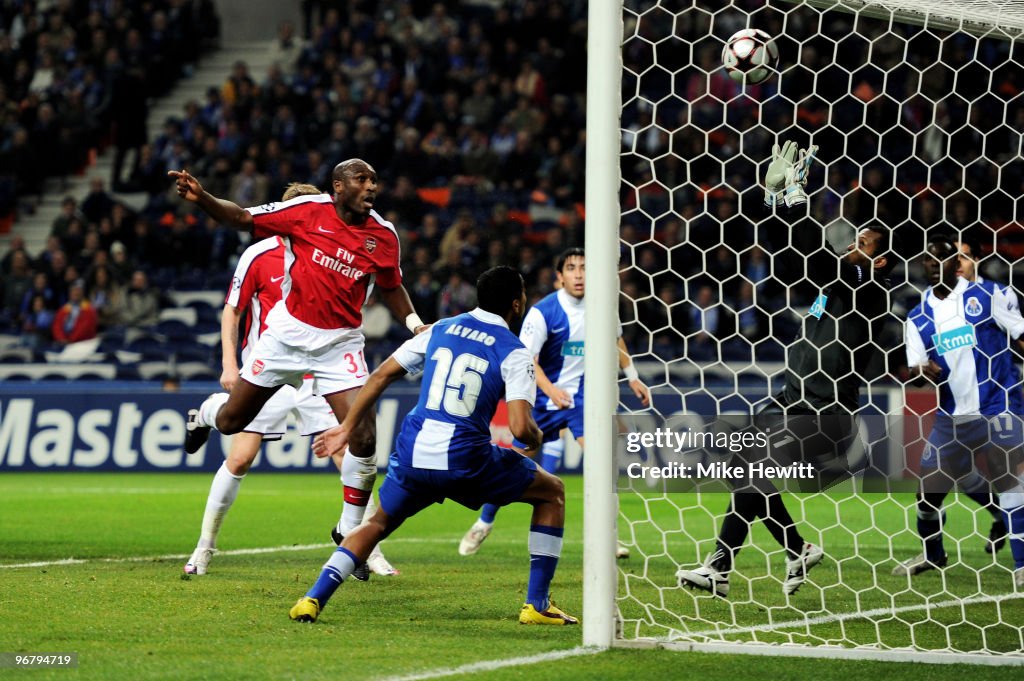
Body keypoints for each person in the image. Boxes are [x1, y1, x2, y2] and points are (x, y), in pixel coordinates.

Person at [169, 159, 427, 563]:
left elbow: (392, 286)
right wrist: (201, 198)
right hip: (285, 339)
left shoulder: (383, 235)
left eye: (375, 180)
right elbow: (239, 217)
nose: (371, 187)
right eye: (362, 179)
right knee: (231, 422)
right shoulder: (307, 213)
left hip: (338, 345)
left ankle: (349, 531)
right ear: (338, 186)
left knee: (362, 435)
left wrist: (414, 324)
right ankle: (205, 413)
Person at [290, 267, 576, 625]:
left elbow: (380, 376)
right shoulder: (514, 352)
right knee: (553, 493)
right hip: (465, 459)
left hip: (413, 453)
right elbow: (520, 427)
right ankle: (536, 604)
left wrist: (346, 426)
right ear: (516, 305)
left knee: (377, 523)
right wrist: (537, 436)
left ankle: (312, 598)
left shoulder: (440, 328)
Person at [677, 140, 900, 597]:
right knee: (740, 463)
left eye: (865, 244)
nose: (854, 246)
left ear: (881, 259)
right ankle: (766, 556)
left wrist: (799, 196)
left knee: (749, 464)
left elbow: (818, 257)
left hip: (825, 413)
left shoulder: (871, 294)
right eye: (855, 240)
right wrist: (774, 199)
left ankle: (749, 559)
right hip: (787, 400)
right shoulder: (832, 287)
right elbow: (794, 253)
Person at [458, 248, 650, 558]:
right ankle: (485, 521)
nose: (579, 274)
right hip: (547, 399)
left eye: (584, 268)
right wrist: (551, 390)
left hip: (585, 400)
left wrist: (633, 376)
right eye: (571, 268)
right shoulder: (543, 311)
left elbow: (617, 340)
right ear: (559, 277)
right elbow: (528, 361)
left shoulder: (603, 305)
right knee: (513, 463)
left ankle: (607, 537)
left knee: (603, 462)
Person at [893, 233, 1024, 586]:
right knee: (926, 494)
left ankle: (1021, 565)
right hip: (952, 419)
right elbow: (916, 373)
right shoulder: (918, 317)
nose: (934, 265)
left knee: (1013, 482)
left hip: (999, 406)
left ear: (956, 264)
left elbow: (1019, 332)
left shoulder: (988, 296)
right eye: (929, 260)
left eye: (943, 259)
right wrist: (920, 372)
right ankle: (933, 555)